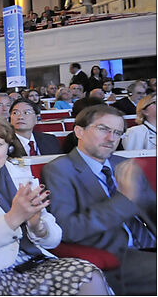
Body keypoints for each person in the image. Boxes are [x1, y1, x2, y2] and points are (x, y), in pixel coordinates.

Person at [0, 115, 109, 295]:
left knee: (89, 275)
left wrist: (36, 226)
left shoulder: (23, 176)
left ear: (9, 147)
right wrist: (13, 217)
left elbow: (54, 238)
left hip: (36, 260)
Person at [41, 105, 156, 295]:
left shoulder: (122, 163)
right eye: (103, 129)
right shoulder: (60, 170)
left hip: (150, 244)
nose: (111, 138)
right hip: (114, 255)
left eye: (117, 132)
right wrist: (123, 199)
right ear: (79, 131)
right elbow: (69, 229)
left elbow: (151, 207)